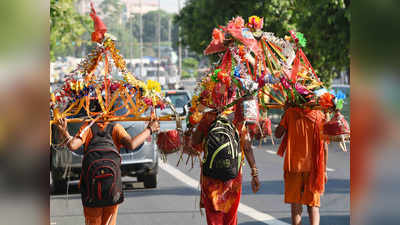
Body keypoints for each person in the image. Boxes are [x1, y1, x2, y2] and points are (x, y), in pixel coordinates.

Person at [55, 111, 160, 225]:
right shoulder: (116, 128)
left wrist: (64, 131)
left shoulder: (88, 127)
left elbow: (72, 145)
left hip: (91, 189)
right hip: (112, 188)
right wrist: (150, 129)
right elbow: (132, 145)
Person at [191, 103, 260, 225]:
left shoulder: (208, 117)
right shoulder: (237, 119)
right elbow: (247, 147)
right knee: (230, 219)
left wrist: (197, 122)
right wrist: (254, 173)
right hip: (233, 179)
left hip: (210, 179)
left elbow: (195, 142)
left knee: (214, 219)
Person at [274, 106, 328, 225]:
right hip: (314, 168)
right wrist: (323, 170)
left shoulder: (290, 113)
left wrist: (285, 115)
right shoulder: (320, 115)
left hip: (294, 166)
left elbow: (277, 134)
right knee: (313, 205)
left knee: (296, 205)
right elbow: (324, 147)